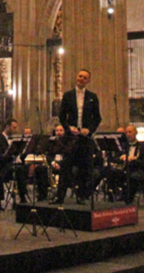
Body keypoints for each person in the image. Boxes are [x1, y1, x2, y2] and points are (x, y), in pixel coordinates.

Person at [57, 68, 101, 203]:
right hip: (71, 137)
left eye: (85, 77)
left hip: (85, 138)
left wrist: (89, 130)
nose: (81, 79)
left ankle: (81, 196)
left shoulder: (92, 97)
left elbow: (97, 118)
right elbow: (61, 116)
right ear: (76, 78)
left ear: (88, 81)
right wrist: (68, 128)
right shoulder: (67, 95)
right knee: (66, 166)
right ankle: (60, 197)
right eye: (80, 76)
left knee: (84, 168)